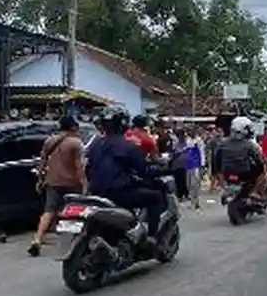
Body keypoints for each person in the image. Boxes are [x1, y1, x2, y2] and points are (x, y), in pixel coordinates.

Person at [85, 108, 166, 242]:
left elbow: (87, 167)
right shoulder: (129, 145)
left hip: (95, 192)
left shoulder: (95, 144)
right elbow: (143, 170)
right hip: (118, 193)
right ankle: (151, 238)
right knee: (155, 197)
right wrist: (161, 169)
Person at [29, 115, 86, 257]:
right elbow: (79, 166)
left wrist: (40, 180)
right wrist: (85, 183)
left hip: (52, 181)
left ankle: (37, 239)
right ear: (73, 127)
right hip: (72, 182)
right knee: (73, 211)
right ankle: (70, 242)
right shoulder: (75, 143)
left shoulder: (49, 141)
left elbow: (42, 163)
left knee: (49, 211)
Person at [214, 116, 265, 201]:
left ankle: (225, 189)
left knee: (219, 171)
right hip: (244, 172)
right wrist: (261, 164)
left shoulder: (222, 143)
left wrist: (217, 170)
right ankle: (254, 191)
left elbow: (216, 159)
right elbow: (258, 159)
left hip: (227, 172)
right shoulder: (248, 144)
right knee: (261, 173)